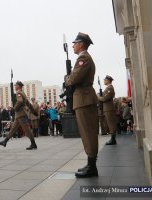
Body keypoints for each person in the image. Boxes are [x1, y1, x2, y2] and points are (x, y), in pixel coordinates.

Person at [65, 32, 99, 178]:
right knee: (86, 133)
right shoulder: (83, 57)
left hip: (84, 99)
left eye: (75, 43)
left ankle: (92, 167)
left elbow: (73, 79)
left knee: (88, 133)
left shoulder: (83, 57)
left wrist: (67, 78)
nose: (73, 45)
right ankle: (90, 163)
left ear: (81, 44)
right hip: (82, 99)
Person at [0, 81, 38, 150]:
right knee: (13, 129)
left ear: (18, 86)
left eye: (15, 85)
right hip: (19, 115)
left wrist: (14, 108)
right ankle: (5, 141)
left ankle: (33, 144)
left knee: (27, 130)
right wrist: (34, 112)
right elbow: (28, 104)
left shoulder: (19, 93)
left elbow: (20, 101)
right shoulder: (23, 93)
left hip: (21, 114)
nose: (15, 87)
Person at [98, 75, 117, 145]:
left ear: (108, 80)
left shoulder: (110, 88)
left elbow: (104, 99)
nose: (104, 81)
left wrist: (98, 97)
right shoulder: (108, 88)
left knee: (111, 124)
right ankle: (112, 139)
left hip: (109, 109)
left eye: (105, 80)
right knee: (109, 123)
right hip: (107, 109)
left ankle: (113, 140)